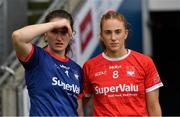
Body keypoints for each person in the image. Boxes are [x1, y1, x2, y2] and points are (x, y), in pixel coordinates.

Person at [82, 10, 163, 116]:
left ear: (125, 34)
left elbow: (154, 107)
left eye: (118, 31)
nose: (113, 38)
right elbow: (81, 104)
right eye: (108, 32)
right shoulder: (90, 66)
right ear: (101, 36)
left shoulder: (145, 62)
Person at [12, 9, 83, 116]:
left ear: (71, 34)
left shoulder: (77, 70)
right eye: (54, 31)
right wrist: (56, 24)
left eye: (64, 32)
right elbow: (17, 37)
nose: (59, 38)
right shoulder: (37, 57)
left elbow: (78, 110)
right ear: (45, 34)